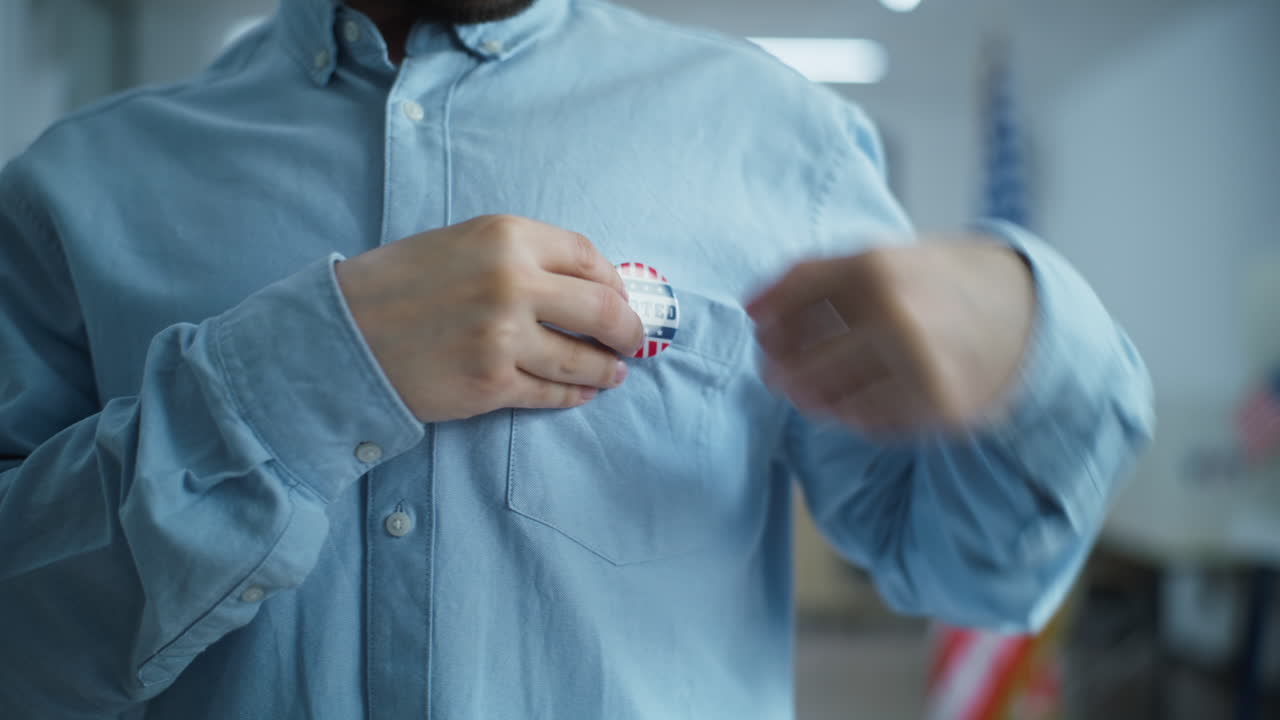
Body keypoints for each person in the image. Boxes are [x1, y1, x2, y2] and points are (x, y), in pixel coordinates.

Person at [0, 0, 1153, 717]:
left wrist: (1034, 346)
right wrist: (312, 368)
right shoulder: (78, 193)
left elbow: (966, 577)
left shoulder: (776, 140)